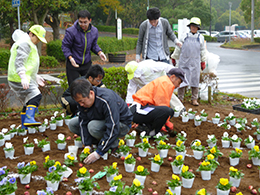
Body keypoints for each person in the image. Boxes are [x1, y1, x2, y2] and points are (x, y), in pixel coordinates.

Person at [69, 79, 133, 164]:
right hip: (102, 120)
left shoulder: (106, 99)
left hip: (121, 124)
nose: (81, 105)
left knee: (93, 127)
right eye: (78, 102)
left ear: (91, 93)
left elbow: (113, 125)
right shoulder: (83, 101)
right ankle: (99, 140)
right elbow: (83, 122)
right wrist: (87, 145)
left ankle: (113, 144)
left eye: (82, 102)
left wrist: (99, 152)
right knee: (72, 124)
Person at [8, 25, 47, 128]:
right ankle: (29, 118)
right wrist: (22, 76)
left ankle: (24, 126)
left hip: (21, 76)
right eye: (37, 38)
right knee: (36, 95)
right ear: (31, 34)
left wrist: (35, 76)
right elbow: (19, 61)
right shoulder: (25, 43)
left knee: (28, 101)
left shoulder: (28, 42)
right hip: (18, 77)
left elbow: (29, 63)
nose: (38, 41)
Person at [130, 68, 186, 136]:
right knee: (168, 111)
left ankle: (144, 127)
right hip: (139, 109)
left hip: (140, 109)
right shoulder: (165, 83)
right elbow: (161, 105)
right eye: (179, 82)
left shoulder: (164, 81)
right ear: (173, 77)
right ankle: (152, 133)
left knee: (166, 111)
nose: (179, 85)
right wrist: (166, 122)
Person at [62, 10, 107, 86]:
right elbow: (65, 46)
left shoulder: (94, 31)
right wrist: (70, 58)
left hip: (87, 64)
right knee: (74, 88)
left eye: (85, 22)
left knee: (89, 86)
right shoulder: (71, 31)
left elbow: (93, 45)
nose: (82, 24)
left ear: (90, 20)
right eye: (80, 22)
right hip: (73, 63)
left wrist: (100, 52)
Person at [171, 17, 207, 106]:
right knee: (182, 80)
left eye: (195, 26)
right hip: (184, 62)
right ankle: (180, 98)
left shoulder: (201, 38)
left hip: (195, 62)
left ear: (198, 28)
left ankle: (194, 99)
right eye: (192, 26)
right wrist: (174, 57)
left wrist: (203, 61)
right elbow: (178, 47)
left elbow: (203, 50)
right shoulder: (184, 36)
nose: (193, 28)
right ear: (189, 26)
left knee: (195, 81)